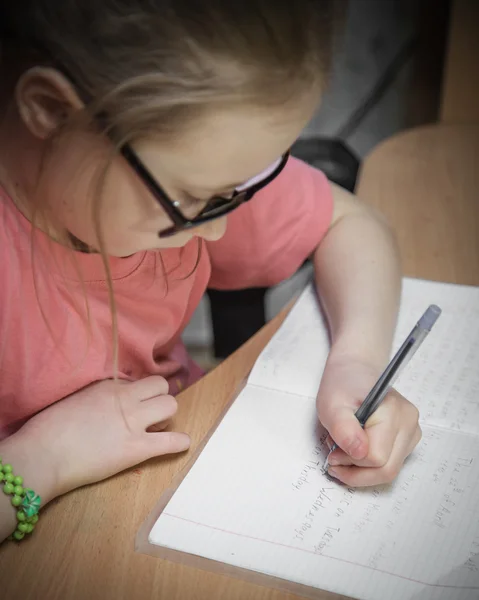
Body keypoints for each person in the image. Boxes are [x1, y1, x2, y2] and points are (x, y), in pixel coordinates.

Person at [0, 0, 421, 542]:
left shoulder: (184, 153)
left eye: (243, 188)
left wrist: (357, 360)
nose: (219, 232)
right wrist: (42, 461)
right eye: (195, 200)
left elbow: (352, 223)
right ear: (53, 113)